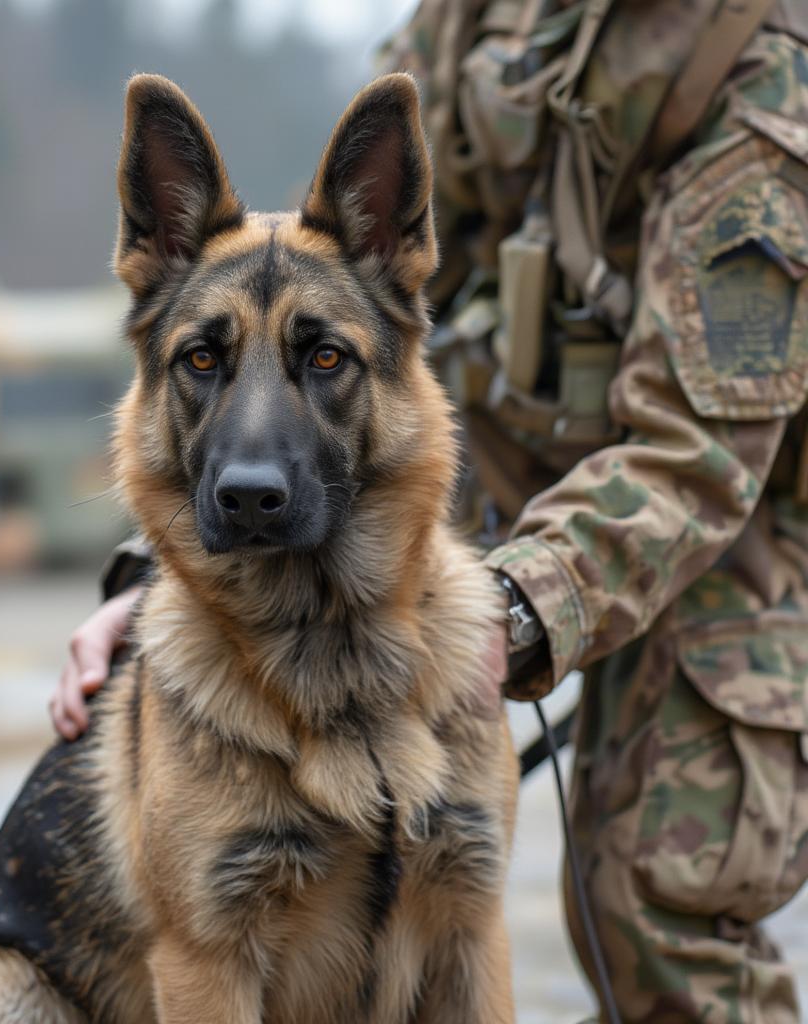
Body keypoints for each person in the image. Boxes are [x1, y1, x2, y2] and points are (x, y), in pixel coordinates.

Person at [51, 2, 808, 1020]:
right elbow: (291, 316)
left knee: (653, 897)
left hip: (708, 533)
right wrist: (165, 578)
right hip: (487, 497)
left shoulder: (759, 78)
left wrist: (521, 604)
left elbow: (702, 452)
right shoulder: (479, 14)